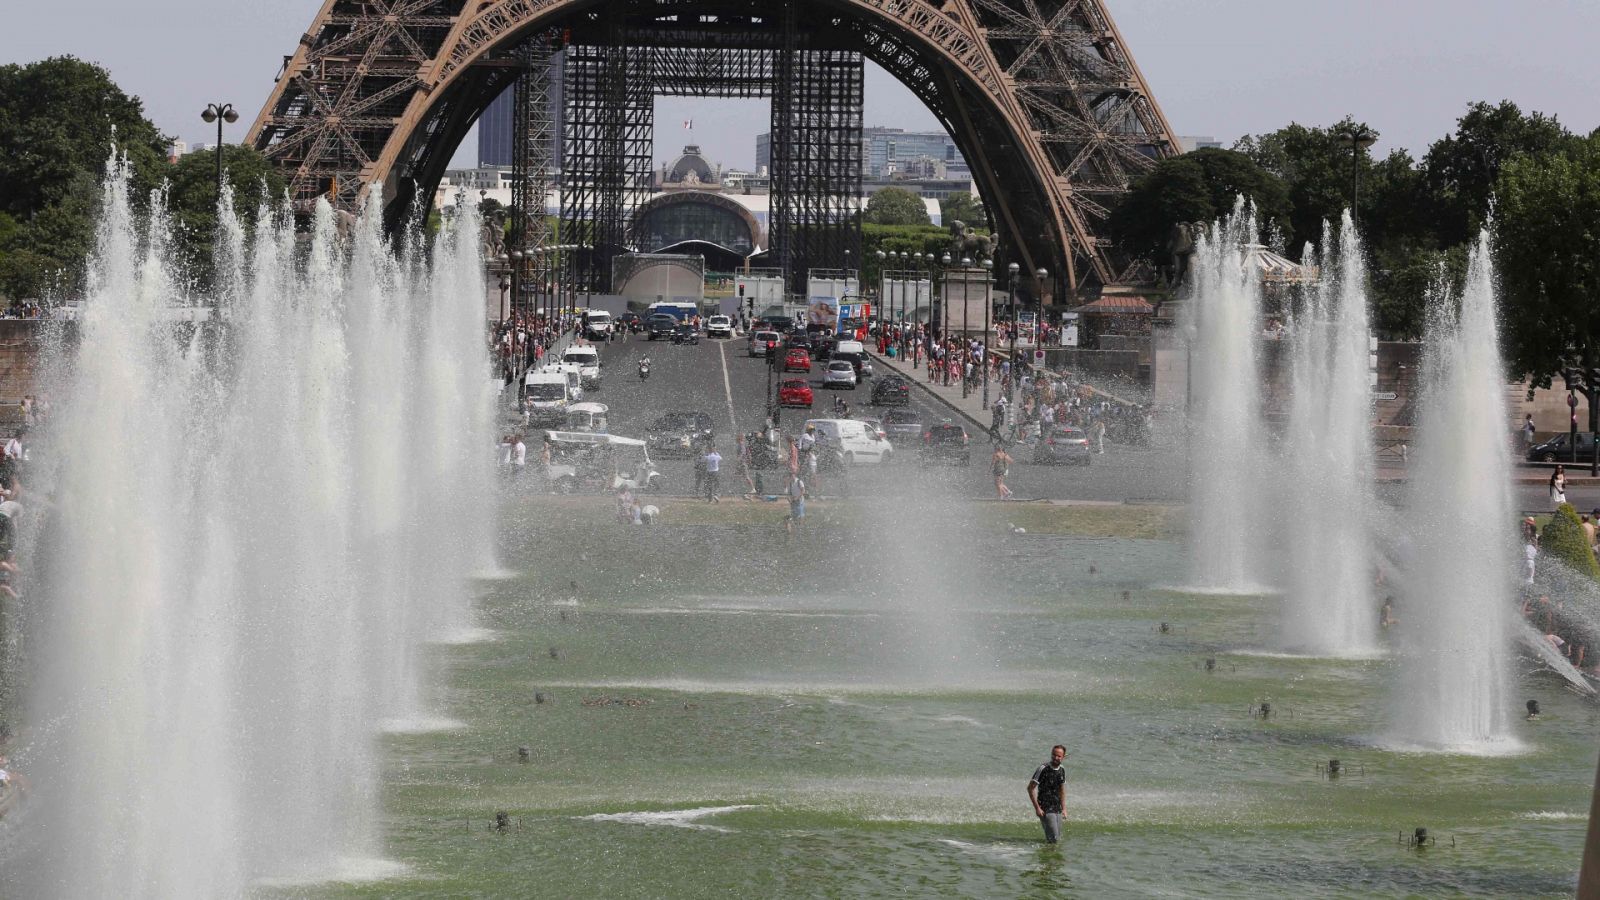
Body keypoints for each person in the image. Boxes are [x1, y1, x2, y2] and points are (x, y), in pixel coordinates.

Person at [1027, 744, 1068, 844]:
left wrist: (1064, 808)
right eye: (1054, 755)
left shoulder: (1062, 769)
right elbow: (1030, 788)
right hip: (1045, 808)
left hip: (1057, 807)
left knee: (1056, 838)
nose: (1055, 758)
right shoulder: (1043, 768)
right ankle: (1049, 857)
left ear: (1063, 757)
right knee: (1053, 839)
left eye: (1058, 756)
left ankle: (1049, 857)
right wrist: (1037, 808)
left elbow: (1061, 790)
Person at [785, 471, 806, 535]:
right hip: (793, 501)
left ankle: (801, 529)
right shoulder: (791, 483)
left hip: (800, 501)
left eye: (792, 475)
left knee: (800, 516)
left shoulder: (799, 481)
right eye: (790, 475)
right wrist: (789, 499)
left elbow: (803, 491)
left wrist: (797, 497)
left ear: (795, 475)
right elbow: (790, 493)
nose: (791, 476)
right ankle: (794, 531)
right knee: (793, 516)